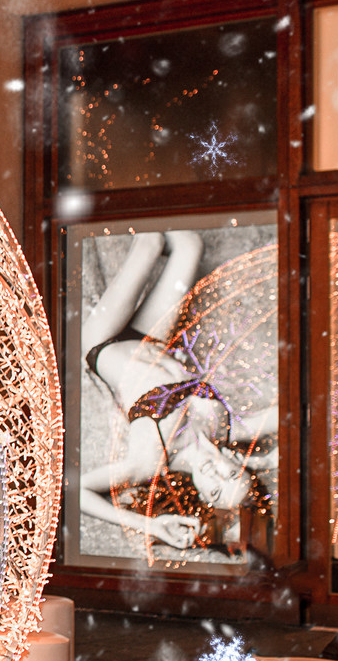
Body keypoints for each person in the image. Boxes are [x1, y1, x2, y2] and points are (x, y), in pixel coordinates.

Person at [78, 230, 276, 554]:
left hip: (102, 344)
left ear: (200, 495)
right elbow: (291, 414)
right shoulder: (229, 429)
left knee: (150, 241)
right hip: (150, 338)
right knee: (190, 243)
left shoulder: (149, 462)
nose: (216, 477)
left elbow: (76, 491)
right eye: (230, 477)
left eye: (214, 492)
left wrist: (151, 526)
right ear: (238, 463)